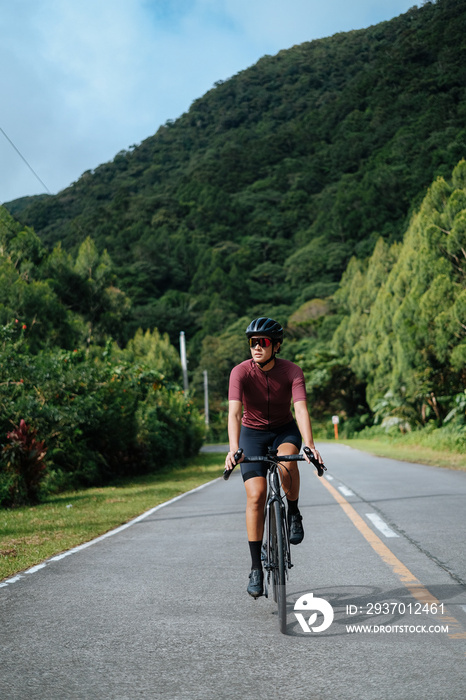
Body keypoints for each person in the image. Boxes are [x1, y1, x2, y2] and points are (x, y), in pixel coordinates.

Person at [224, 316, 323, 598]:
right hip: (251, 434)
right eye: (252, 342)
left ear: (276, 346)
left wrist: (311, 445)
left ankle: (293, 512)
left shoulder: (292, 371)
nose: (256, 347)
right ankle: (256, 567)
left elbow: (301, 409)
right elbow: (233, 412)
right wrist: (234, 448)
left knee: (286, 464)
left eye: (262, 342)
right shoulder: (239, 372)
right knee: (256, 496)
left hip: (284, 432)